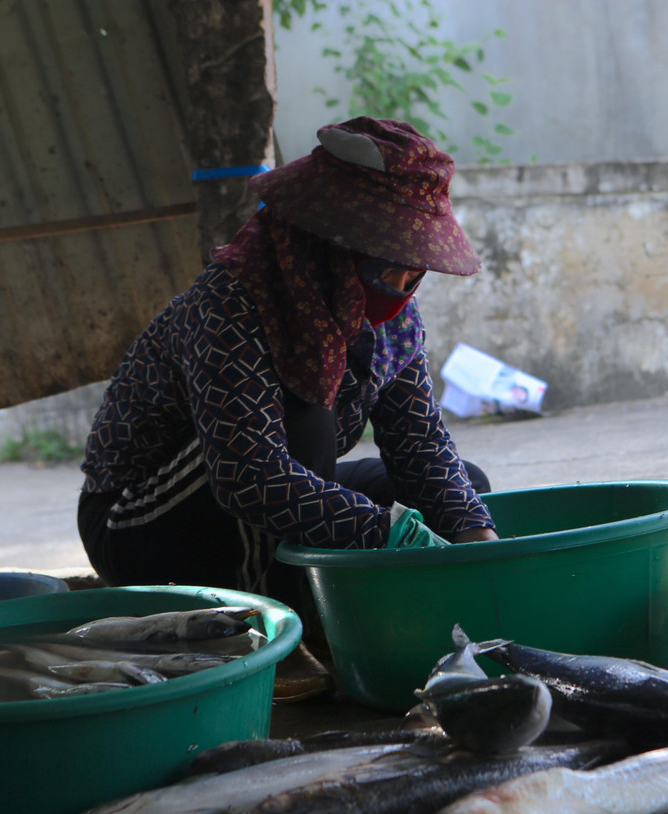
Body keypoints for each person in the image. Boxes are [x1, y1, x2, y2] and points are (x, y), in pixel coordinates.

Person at [77, 117, 499, 699]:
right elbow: (250, 478)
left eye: (414, 266)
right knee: (305, 426)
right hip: (142, 523)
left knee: (463, 489)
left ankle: (345, 612)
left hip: (263, 496)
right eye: (387, 262)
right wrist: (383, 532)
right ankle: (284, 629)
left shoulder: (393, 320)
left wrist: (480, 543)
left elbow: (420, 443)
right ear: (330, 245)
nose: (404, 281)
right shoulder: (232, 305)